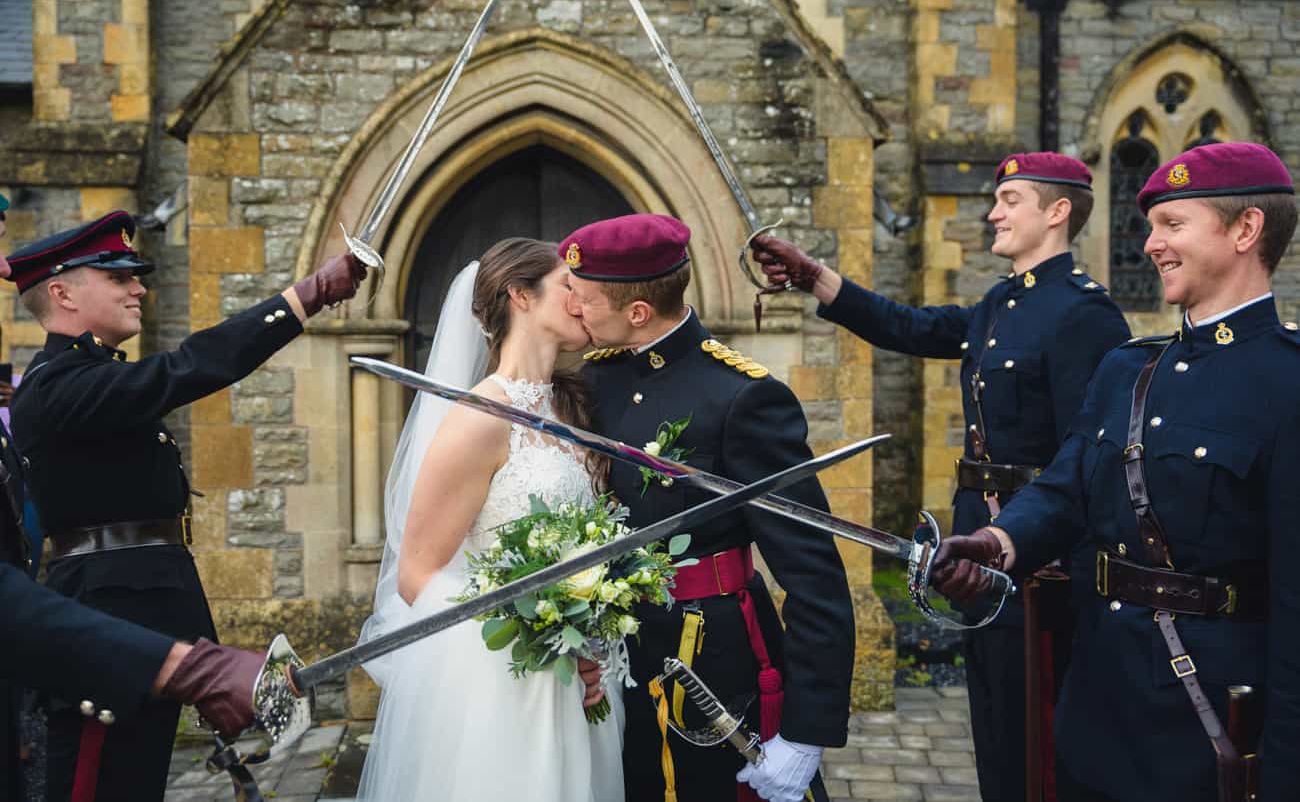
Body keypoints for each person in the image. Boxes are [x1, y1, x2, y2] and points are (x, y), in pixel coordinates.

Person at [752, 153, 1131, 802]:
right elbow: (909, 326)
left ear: (1058, 211)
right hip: (979, 551)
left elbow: (1086, 458)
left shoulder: (1084, 314)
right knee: (992, 728)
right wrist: (813, 278)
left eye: (1011, 198)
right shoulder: (998, 304)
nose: (994, 211)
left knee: (1038, 744)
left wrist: (1043, 551)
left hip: (1039, 571)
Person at [931, 141, 1299, 802]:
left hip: (1205, 734)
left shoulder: (1287, 384)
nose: (1151, 242)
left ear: (1246, 229)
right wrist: (995, 544)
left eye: (1172, 224)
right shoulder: (1127, 371)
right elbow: (1065, 487)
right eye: (1151, 225)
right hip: (1094, 715)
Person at [4, 209, 365, 802]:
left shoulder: (95, 376)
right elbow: (189, 368)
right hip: (106, 629)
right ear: (63, 292)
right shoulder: (56, 386)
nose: (139, 288)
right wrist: (306, 298)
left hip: (143, 615)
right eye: (119, 277)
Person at [560, 214, 855, 802]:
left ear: (637, 312)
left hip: (715, 657)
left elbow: (814, 573)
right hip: (620, 653)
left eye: (582, 297)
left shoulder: (743, 396)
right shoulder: (594, 382)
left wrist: (804, 734)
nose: (570, 305)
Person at [356, 238, 624, 802]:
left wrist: (582, 632)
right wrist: (541, 629)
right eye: (568, 287)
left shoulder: (572, 407)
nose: (583, 299)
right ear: (520, 295)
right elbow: (417, 575)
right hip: (507, 681)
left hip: (578, 674)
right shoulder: (479, 417)